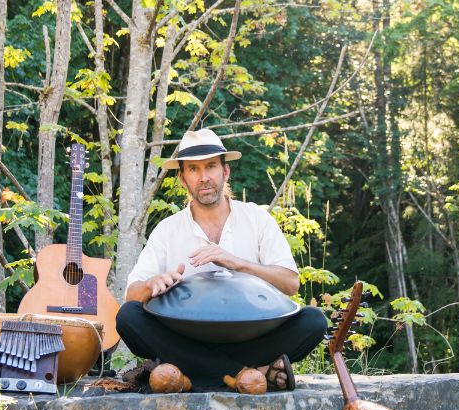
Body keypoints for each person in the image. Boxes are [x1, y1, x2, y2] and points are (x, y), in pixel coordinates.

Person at [115, 128, 328, 393]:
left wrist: (237, 263)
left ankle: (196, 377)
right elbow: (131, 295)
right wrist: (151, 286)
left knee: (313, 321)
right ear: (182, 179)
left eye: (211, 166)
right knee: (128, 317)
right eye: (193, 169)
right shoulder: (168, 229)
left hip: (250, 337)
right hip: (186, 340)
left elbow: (291, 283)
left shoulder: (256, 219)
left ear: (225, 171)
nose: (204, 177)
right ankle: (250, 375)